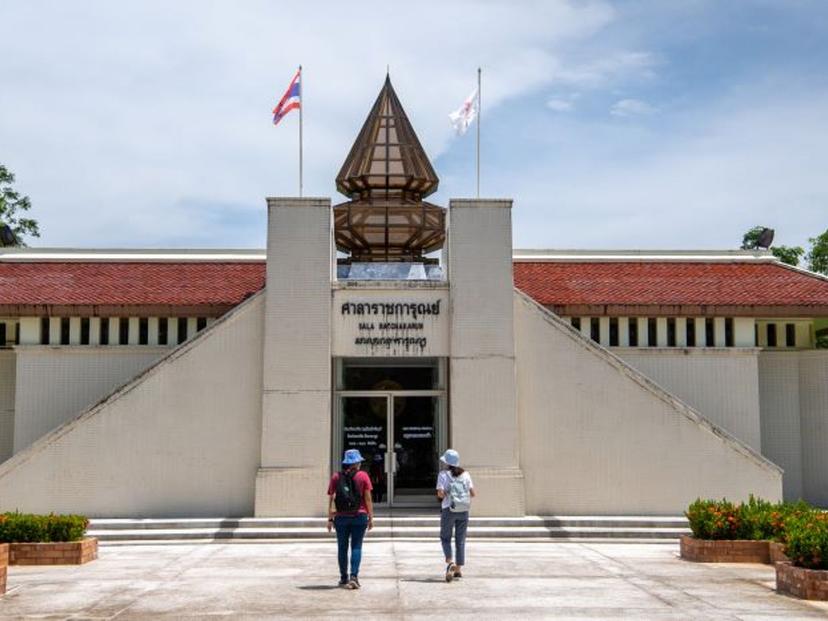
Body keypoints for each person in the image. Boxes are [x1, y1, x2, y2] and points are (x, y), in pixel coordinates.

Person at [327, 448, 374, 589]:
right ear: (357, 463)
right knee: (356, 546)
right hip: (359, 516)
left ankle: (343, 578)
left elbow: (331, 498)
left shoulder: (336, 477)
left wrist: (330, 519)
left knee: (342, 547)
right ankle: (354, 577)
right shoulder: (363, 476)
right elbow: (368, 499)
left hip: (341, 517)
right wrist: (370, 517)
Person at [435, 449, 475, 582]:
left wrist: (446, 494)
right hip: (463, 510)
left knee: (445, 537)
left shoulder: (443, 474)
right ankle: (458, 569)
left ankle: (450, 562)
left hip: (448, 509)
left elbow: (440, 493)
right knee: (460, 539)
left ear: (446, 462)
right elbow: (473, 493)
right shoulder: (466, 474)